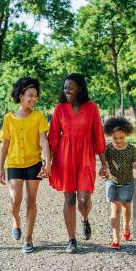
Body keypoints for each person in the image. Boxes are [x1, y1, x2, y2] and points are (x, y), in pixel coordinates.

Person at [48, 74, 108, 254]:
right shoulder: (59, 109)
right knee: (69, 198)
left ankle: (85, 218)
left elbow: (98, 137)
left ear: (80, 88)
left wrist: (104, 164)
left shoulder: (92, 109)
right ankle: (71, 239)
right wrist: (47, 163)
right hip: (64, 157)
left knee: (84, 199)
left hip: (85, 157)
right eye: (65, 88)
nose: (66, 91)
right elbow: (52, 139)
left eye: (70, 88)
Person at [0, 77, 51, 254]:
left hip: (34, 163)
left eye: (36, 96)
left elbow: (44, 141)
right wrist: (0, 168)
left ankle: (28, 239)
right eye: (30, 95)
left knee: (31, 200)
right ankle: (16, 221)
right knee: (15, 201)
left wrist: (48, 162)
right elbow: (5, 144)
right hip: (14, 164)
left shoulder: (39, 116)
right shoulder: (8, 119)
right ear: (21, 95)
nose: (34, 99)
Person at [103, 117, 136, 249]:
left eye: (121, 138)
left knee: (126, 207)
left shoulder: (131, 149)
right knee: (115, 208)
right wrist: (103, 171)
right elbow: (103, 165)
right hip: (112, 182)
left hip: (127, 183)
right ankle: (116, 238)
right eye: (115, 138)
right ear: (111, 136)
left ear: (126, 134)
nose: (118, 141)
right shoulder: (108, 149)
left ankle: (126, 227)